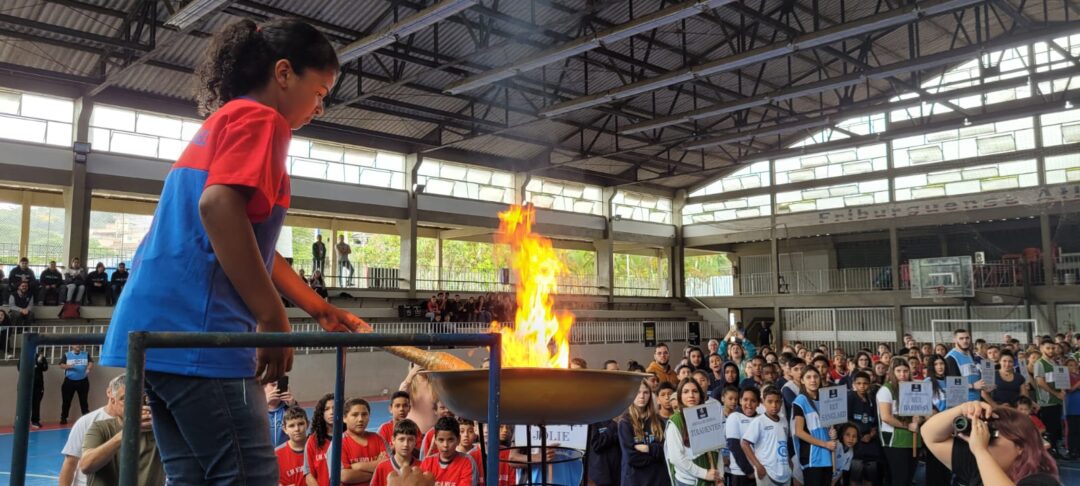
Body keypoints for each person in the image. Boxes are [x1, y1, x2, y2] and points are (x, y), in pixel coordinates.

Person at [98, 18, 364, 485]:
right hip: (199, 333)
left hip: (154, 335)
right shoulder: (264, 120)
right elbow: (218, 208)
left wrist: (316, 306)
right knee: (248, 475)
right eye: (320, 91)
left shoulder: (223, 121)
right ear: (284, 74)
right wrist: (270, 317)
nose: (320, 107)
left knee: (193, 478)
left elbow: (247, 242)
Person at [923, 401, 1059, 486]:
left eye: (991, 438)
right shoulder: (979, 465)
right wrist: (963, 408)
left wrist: (981, 451)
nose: (983, 443)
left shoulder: (1042, 480)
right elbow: (930, 435)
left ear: (1020, 446)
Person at [79, 385, 163, 486]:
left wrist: (161, 422)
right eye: (124, 399)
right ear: (113, 402)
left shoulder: (159, 431)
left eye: (141, 398)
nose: (134, 404)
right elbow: (86, 465)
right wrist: (127, 433)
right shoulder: (100, 428)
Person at [58, 375, 126, 486]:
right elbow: (70, 463)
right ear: (109, 393)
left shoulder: (142, 422)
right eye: (124, 398)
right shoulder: (87, 421)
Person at [664, 379, 721, 486]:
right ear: (680, 396)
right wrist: (704, 474)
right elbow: (676, 458)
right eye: (686, 392)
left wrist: (719, 477)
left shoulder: (708, 416)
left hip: (712, 480)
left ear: (700, 395)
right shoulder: (675, 421)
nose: (691, 395)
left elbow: (716, 451)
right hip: (688, 482)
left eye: (695, 391)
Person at [876, 357, 919, 486]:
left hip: (914, 439)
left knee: (909, 478)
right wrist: (907, 426)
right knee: (900, 479)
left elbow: (922, 410)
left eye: (905, 370)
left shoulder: (914, 387)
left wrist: (919, 418)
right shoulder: (886, 390)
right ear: (892, 372)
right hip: (894, 440)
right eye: (898, 371)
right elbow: (886, 417)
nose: (902, 374)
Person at [618, 379, 669, 486]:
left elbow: (666, 450)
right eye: (637, 392)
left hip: (657, 479)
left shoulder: (658, 420)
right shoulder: (625, 422)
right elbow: (631, 457)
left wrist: (648, 448)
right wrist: (655, 454)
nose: (642, 396)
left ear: (650, 395)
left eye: (645, 392)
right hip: (635, 480)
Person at [791, 367, 836, 486]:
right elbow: (799, 432)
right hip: (812, 458)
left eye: (816, 377)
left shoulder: (826, 399)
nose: (813, 380)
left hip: (827, 456)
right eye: (808, 377)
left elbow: (828, 426)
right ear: (802, 380)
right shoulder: (800, 401)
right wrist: (825, 444)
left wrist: (833, 434)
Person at [741, 386, 790, 486]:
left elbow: (783, 443)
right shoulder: (759, 421)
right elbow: (744, 443)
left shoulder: (784, 420)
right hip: (766, 472)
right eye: (770, 401)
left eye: (777, 402)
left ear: (781, 403)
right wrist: (758, 466)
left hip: (784, 471)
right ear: (763, 402)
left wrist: (788, 461)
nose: (774, 405)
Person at [341, 398, 389, 485]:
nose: (360, 419)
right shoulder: (339, 443)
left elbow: (387, 467)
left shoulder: (378, 438)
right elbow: (345, 476)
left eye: (364, 414)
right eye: (355, 415)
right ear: (344, 418)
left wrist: (357, 466)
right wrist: (377, 469)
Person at [419, 416, 477, 485]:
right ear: (435, 440)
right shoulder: (427, 463)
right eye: (441, 440)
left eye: (450, 440)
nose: (445, 445)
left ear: (458, 440)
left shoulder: (467, 462)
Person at [1032, 338, 1066, 458]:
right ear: (1041, 348)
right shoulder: (1039, 363)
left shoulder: (1055, 363)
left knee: (1057, 428)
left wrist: (1062, 391)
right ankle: (1049, 455)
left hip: (1057, 401)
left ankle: (1056, 451)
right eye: (1048, 348)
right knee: (1049, 429)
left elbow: (1061, 380)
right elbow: (1040, 382)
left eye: (1052, 348)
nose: (1051, 350)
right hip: (1046, 402)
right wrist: (1056, 393)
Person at [846, 371, 880, 486]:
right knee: (855, 475)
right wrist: (858, 436)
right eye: (859, 383)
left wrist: (871, 435)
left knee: (870, 475)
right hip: (855, 443)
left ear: (869, 384)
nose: (862, 386)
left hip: (871, 443)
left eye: (865, 383)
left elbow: (876, 421)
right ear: (854, 384)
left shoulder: (872, 399)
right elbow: (846, 420)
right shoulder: (850, 397)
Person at [372, 419, 421, 486]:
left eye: (410, 440)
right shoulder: (381, 468)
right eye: (401, 439)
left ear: (415, 441)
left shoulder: (422, 466)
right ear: (393, 440)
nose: (406, 444)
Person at [726, 387, 759, 486]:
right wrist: (748, 471)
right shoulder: (734, 417)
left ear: (758, 403)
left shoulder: (761, 418)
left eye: (753, 400)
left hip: (760, 471)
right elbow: (734, 446)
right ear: (740, 401)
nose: (748, 404)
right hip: (740, 473)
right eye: (745, 400)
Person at [305, 394, 336, 486]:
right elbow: (308, 475)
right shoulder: (313, 441)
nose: (332, 412)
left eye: (335, 408)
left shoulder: (350, 437)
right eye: (326, 409)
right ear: (321, 413)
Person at [946, 329, 986, 402]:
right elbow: (952, 383)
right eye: (961, 338)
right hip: (962, 404)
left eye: (967, 338)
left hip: (976, 400)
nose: (965, 341)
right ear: (954, 340)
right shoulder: (950, 358)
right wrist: (973, 386)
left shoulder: (970, 353)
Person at [59, 344, 92, 425]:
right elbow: (61, 365)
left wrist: (88, 368)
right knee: (66, 401)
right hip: (69, 381)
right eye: (76, 344)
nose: (78, 345)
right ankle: (64, 418)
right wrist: (68, 366)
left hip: (83, 381)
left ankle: (86, 418)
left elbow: (90, 362)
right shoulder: (67, 355)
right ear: (72, 346)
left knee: (84, 401)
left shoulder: (86, 354)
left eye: (79, 344)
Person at [275, 406, 309, 486]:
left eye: (300, 424)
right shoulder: (276, 455)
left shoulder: (319, 448)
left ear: (307, 424)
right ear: (285, 429)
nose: (297, 429)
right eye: (291, 426)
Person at [588, 414, 621, 486]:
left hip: (618, 474)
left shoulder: (623, 419)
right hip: (601, 476)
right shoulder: (593, 420)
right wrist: (613, 424)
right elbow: (596, 445)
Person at [265, 378, 297, 447]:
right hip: (264, 454)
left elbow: (299, 429)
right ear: (263, 387)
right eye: (273, 385)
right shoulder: (256, 409)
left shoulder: (289, 409)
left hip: (286, 454)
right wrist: (264, 403)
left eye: (280, 385)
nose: (277, 388)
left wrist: (293, 406)